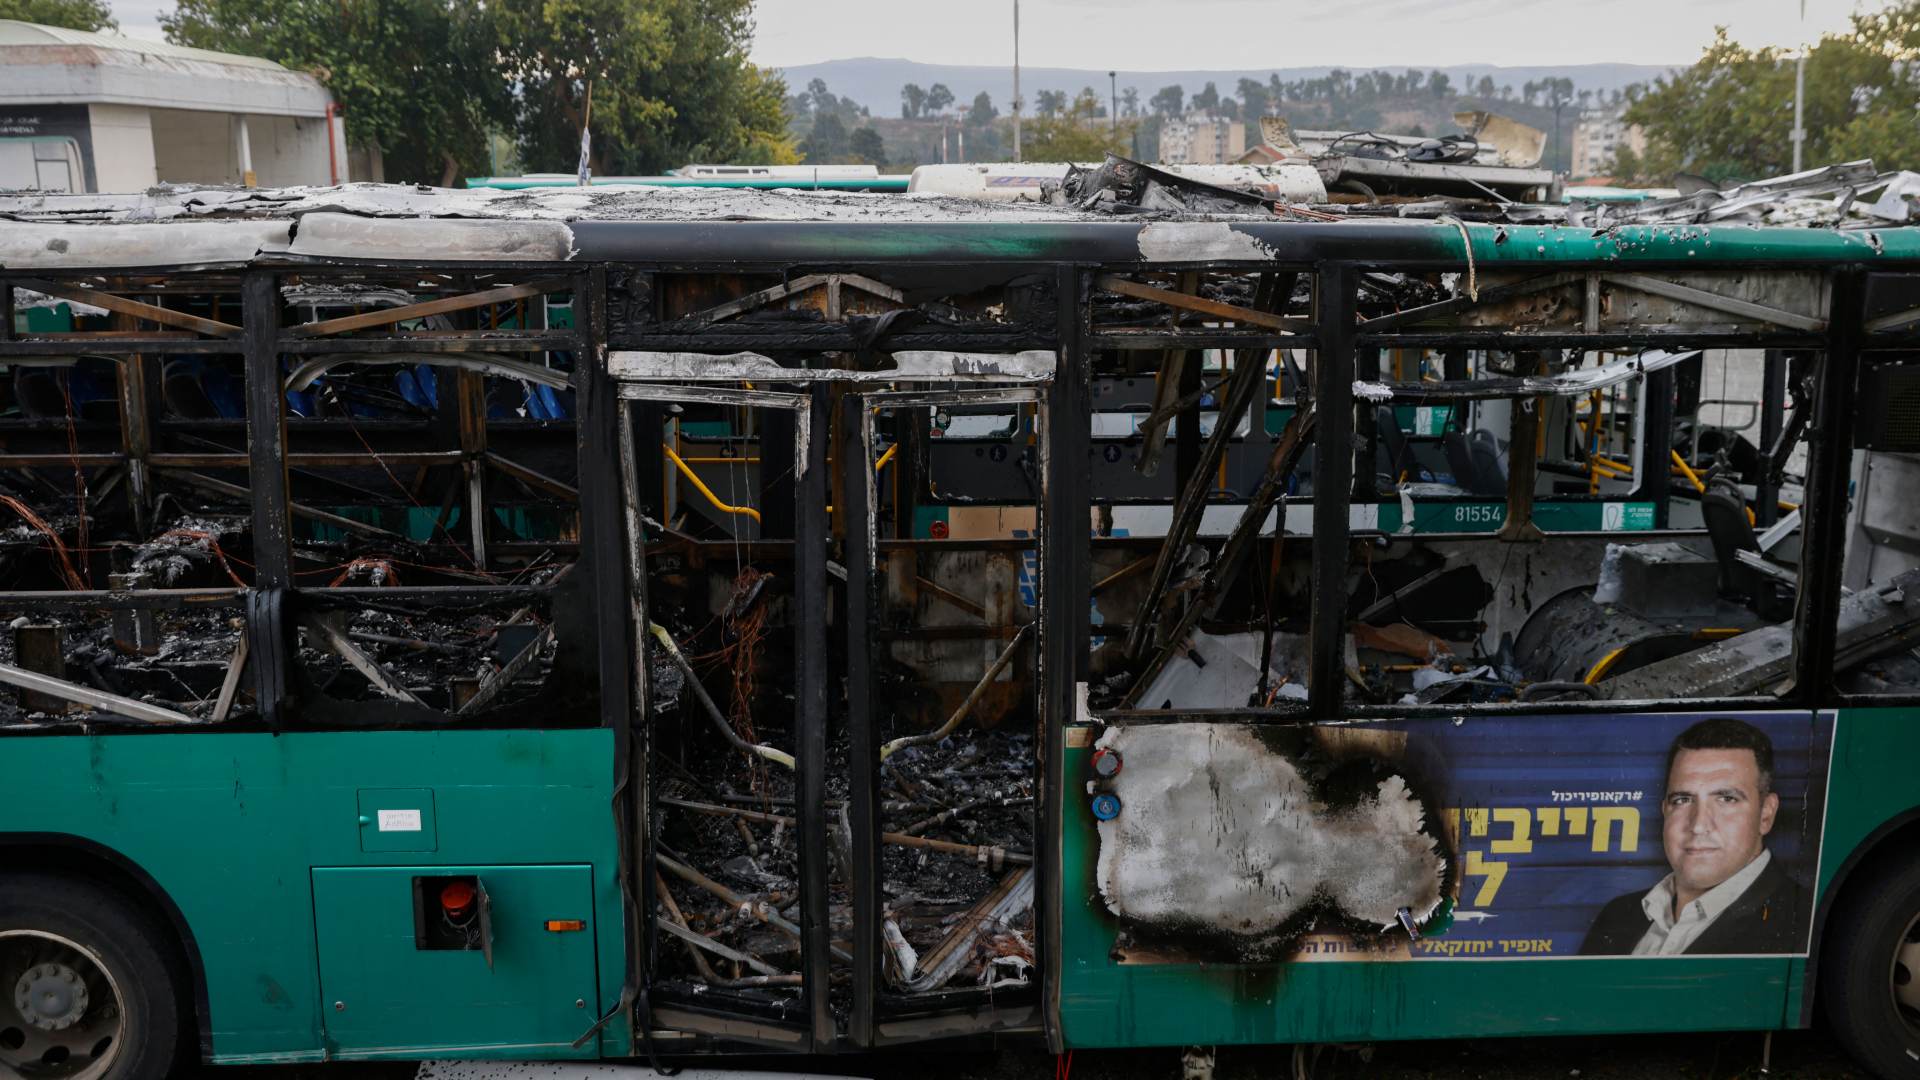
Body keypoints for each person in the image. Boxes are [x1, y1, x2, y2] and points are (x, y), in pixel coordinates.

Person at [1579, 717, 1804, 955]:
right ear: (1664, 809)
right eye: (1683, 800)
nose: (1698, 825)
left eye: (1726, 799)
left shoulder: (1799, 920)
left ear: (1766, 814)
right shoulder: (1617, 916)